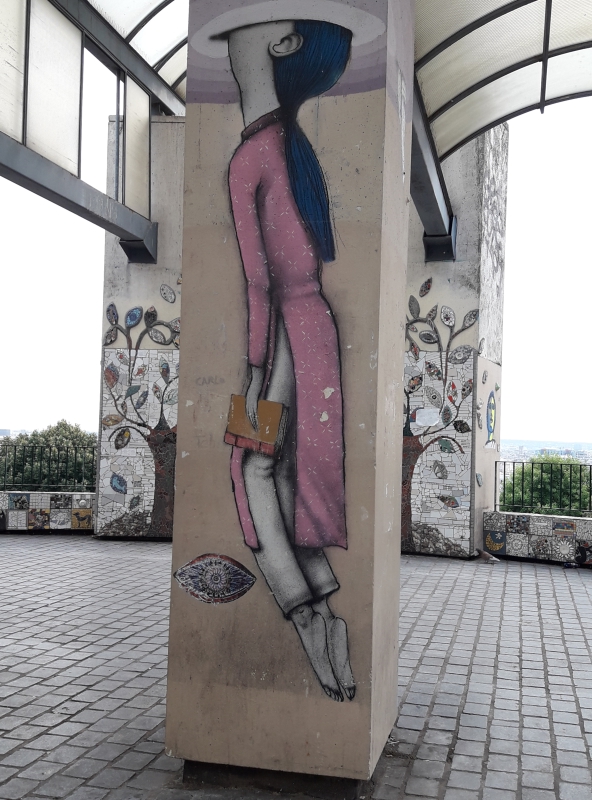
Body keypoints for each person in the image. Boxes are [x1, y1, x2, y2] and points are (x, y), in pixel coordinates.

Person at [226, 18, 355, 703]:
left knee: (251, 466)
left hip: (277, 330)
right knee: (282, 470)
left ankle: (307, 619)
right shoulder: (294, 148)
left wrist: (252, 372)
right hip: (313, 326)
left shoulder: (252, 155)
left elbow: (258, 282)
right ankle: (325, 608)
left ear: (283, 46)